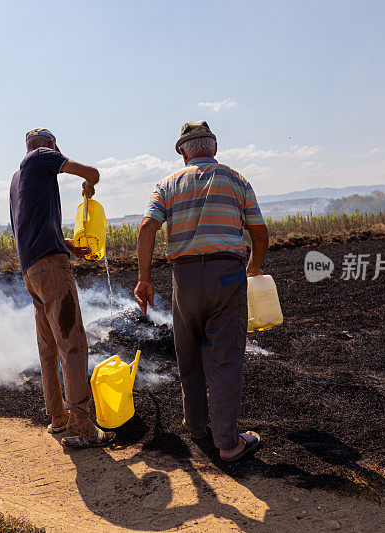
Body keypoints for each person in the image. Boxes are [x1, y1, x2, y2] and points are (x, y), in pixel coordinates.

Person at [133, 121, 269, 462]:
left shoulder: (166, 185)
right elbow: (259, 231)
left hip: (185, 278)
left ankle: (196, 426)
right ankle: (228, 444)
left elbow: (148, 225)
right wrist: (252, 267)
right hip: (227, 275)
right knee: (224, 358)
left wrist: (144, 277)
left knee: (189, 353)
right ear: (214, 148)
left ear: (183, 151)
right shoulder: (237, 179)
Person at [10, 128, 115, 448]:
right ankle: (81, 424)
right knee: (73, 343)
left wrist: (69, 245)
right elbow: (93, 172)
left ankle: (57, 418)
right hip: (52, 271)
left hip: (32, 272)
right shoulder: (42, 157)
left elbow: (32, 225)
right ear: (52, 145)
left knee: (49, 349)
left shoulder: (17, 179)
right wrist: (89, 185)